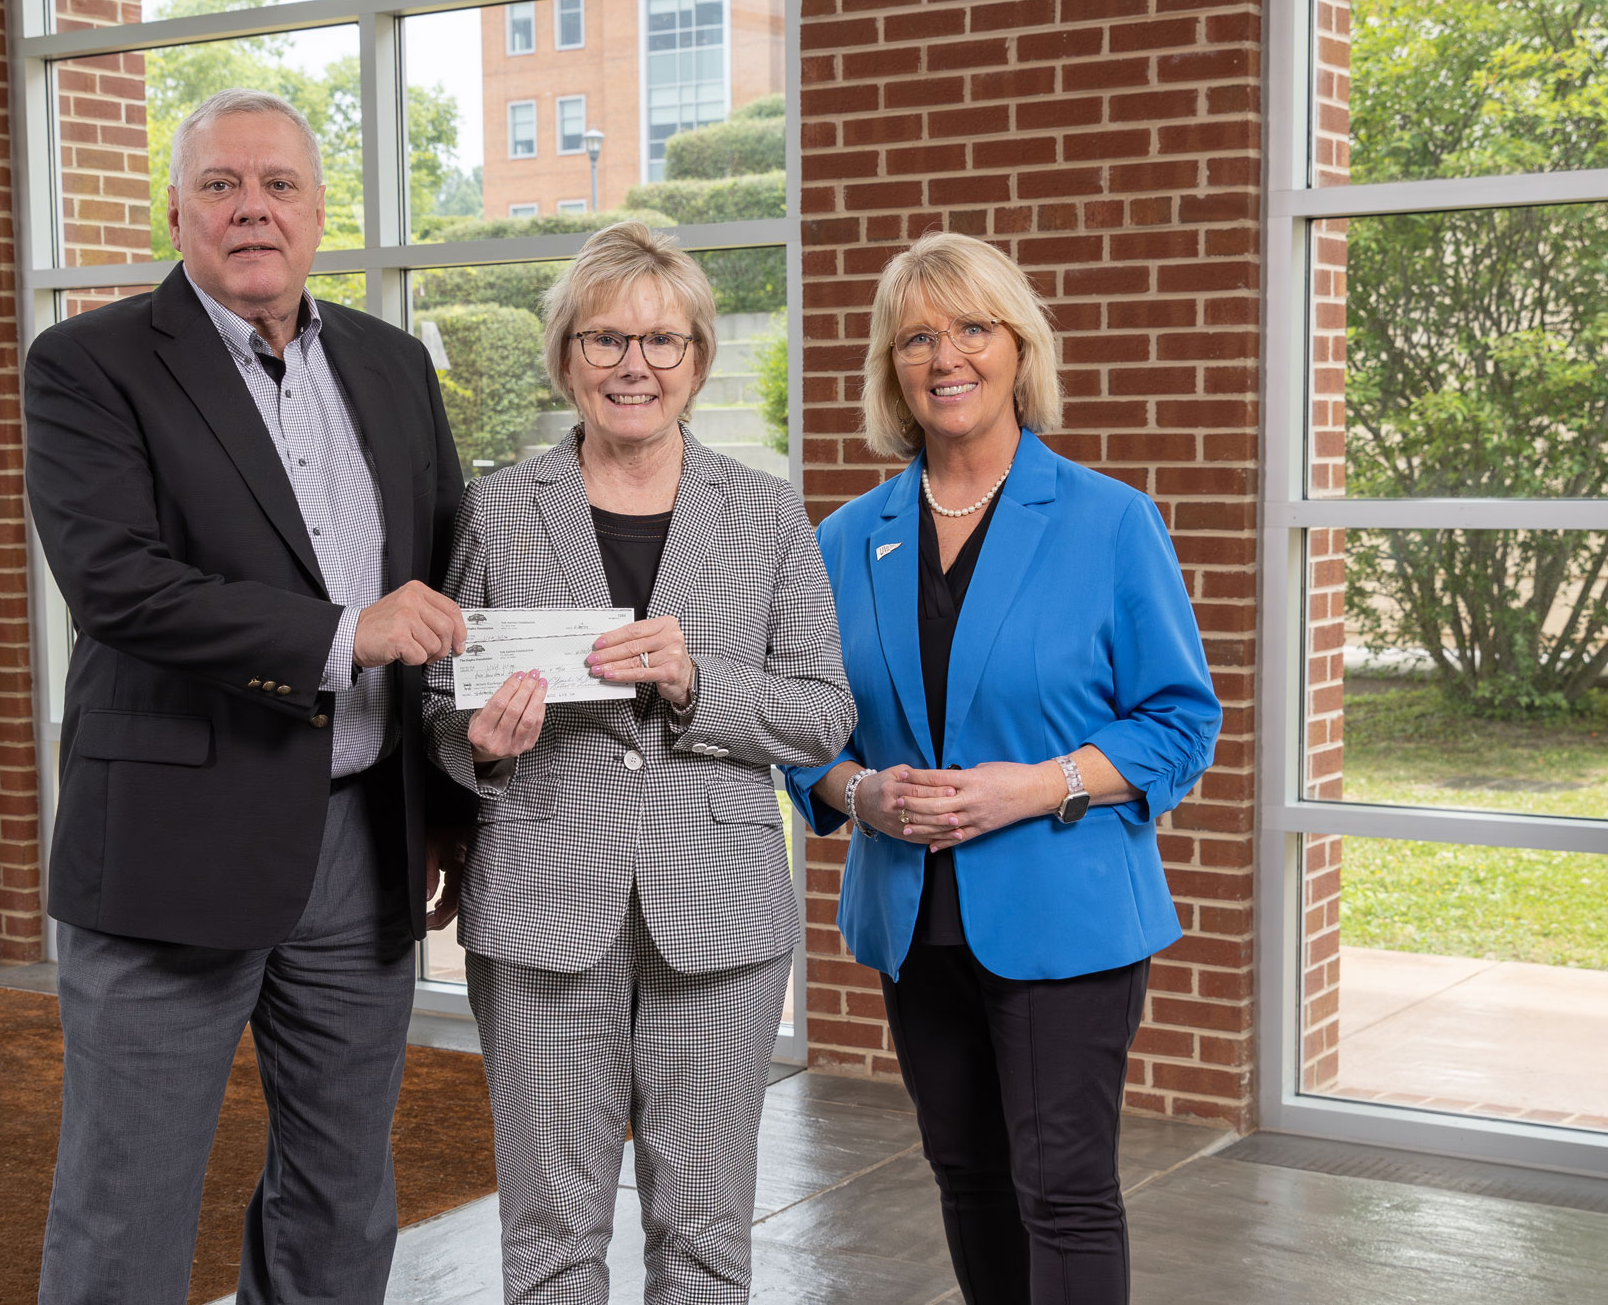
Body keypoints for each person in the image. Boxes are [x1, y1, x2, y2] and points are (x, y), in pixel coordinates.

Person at [24, 88, 476, 1305]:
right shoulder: (89, 364)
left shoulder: (390, 365)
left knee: (342, 1192)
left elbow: (442, 582)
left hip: (358, 845)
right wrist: (344, 630)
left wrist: (444, 809)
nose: (251, 209)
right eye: (221, 185)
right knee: (130, 1196)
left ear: (319, 211)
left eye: (278, 184)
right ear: (175, 209)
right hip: (175, 849)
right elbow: (121, 585)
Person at [782, 232, 1221, 1305]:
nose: (945, 357)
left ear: (1017, 348)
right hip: (911, 918)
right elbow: (804, 728)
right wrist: (856, 791)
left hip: (1064, 911)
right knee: (967, 1176)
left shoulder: (1108, 520)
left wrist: (1037, 783)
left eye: (970, 328)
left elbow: (1178, 719)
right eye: (916, 336)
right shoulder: (845, 537)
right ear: (891, 366)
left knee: (1062, 1190)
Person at [422, 221, 855, 1305]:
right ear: (566, 356)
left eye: (663, 342)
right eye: (606, 339)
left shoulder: (763, 513)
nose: (634, 366)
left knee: (704, 1227)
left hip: (716, 911)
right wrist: (472, 740)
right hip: (541, 902)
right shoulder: (497, 508)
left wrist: (697, 678)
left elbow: (820, 713)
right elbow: (438, 696)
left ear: (698, 361)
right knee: (550, 1227)